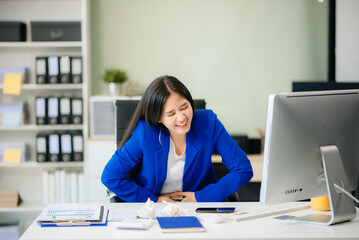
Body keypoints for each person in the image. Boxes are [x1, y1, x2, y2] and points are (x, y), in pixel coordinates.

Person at [101, 75, 253, 202]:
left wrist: (200, 197)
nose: (181, 118)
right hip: (156, 210)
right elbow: (110, 176)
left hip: (198, 208)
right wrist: (155, 199)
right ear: (158, 118)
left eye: (184, 107)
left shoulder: (208, 123)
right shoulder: (145, 133)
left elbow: (243, 169)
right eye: (171, 113)